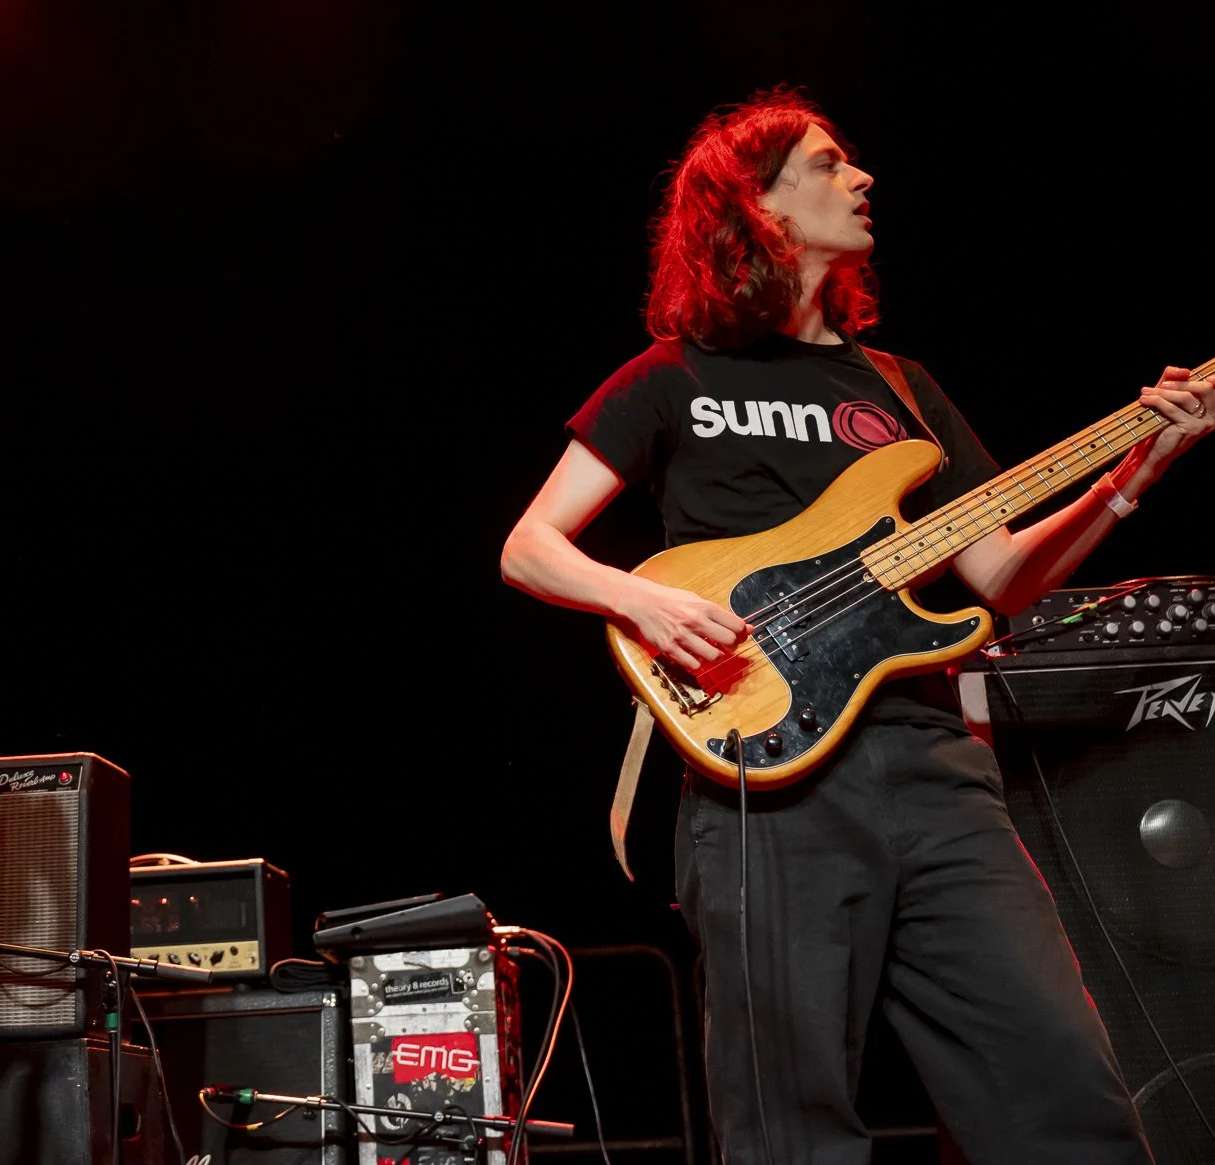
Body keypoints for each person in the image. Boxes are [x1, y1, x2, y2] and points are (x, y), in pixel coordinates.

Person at [499, 88, 1210, 1163]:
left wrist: (1130, 476)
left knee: (1061, 1091)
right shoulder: (671, 376)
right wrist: (643, 598)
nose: (861, 178)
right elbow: (529, 545)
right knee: (787, 1125)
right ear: (757, 205)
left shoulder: (896, 386)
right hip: (762, 779)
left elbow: (999, 577)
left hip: (930, 772)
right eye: (828, 164)